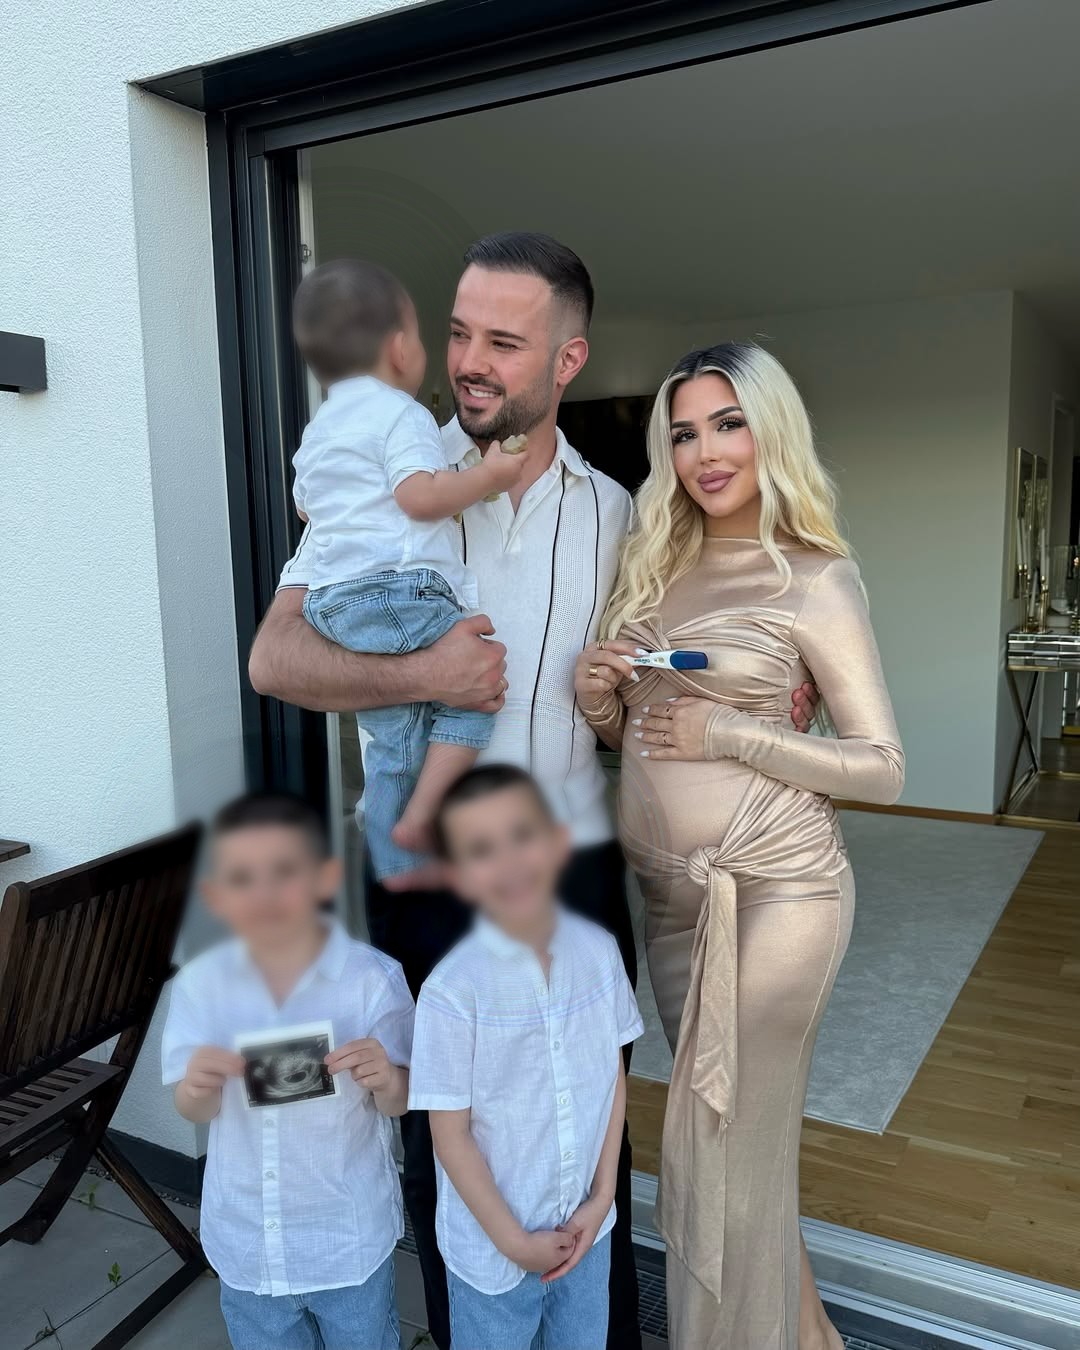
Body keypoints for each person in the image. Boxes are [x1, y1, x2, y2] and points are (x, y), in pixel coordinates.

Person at [248, 234, 818, 1349]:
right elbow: (275, 659)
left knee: (589, 1128)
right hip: (427, 877)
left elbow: (679, 648)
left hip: (573, 872)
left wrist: (773, 690)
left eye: (504, 343)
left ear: (568, 359)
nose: (470, 362)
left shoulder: (618, 515)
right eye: (460, 333)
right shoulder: (383, 482)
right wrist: (424, 676)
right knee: (441, 1136)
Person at [576, 343, 905, 1350]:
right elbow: (642, 733)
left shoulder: (815, 577)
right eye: (684, 433)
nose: (706, 452)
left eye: (729, 424)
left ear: (772, 432)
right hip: (674, 909)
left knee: (714, 1161)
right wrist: (601, 703)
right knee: (741, 1159)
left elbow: (882, 767)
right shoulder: (653, 566)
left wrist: (734, 732)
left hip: (777, 891)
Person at [291, 258, 531, 890]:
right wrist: (488, 476)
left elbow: (307, 507)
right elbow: (420, 497)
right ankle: (421, 819)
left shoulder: (318, 430)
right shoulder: (402, 415)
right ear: (400, 349)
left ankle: (395, 859)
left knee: (394, 735)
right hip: (397, 588)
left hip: (330, 602)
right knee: (478, 682)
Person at [161, 793, 414, 1350]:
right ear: (217, 896)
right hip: (248, 1238)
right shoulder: (202, 987)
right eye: (243, 878)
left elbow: (401, 1100)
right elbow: (193, 1107)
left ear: (325, 879)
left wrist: (388, 1077)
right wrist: (197, 1087)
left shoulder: (370, 980)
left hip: (346, 1236)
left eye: (285, 872)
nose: (266, 894)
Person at [410, 765, 642, 1350]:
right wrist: (512, 1241)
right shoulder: (452, 991)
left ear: (558, 842)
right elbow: (449, 1134)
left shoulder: (600, 953)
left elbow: (611, 1076)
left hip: (587, 1231)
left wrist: (603, 1196)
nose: (509, 862)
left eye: (522, 835)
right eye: (482, 850)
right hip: (492, 1255)